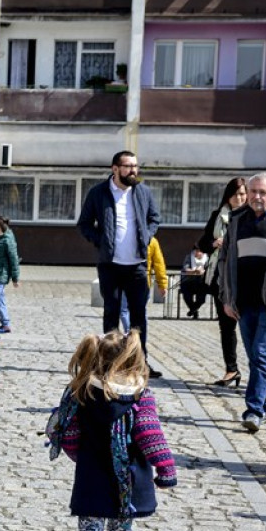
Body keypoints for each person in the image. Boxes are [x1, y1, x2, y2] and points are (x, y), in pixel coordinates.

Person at [48, 330, 177, 531]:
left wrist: (79, 457)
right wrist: (167, 470)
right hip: (126, 485)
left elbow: (68, 433)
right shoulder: (139, 396)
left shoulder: (82, 391)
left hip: (91, 477)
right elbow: (150, 436)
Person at [77, 151, 162, 378]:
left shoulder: (143, 192)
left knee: (138, 316)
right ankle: (108, 362)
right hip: (110, 265)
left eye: (135, 166)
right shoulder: (98, 193)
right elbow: (84, 224)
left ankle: (139, 362)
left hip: (137, 265)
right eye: (128, 166)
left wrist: (147, 235)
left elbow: (155, 218)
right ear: (115, 169)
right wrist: (101, 241)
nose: (133, 171)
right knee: (111, 313)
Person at [218, 172, 266, 432]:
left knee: (262, 354)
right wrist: (227, 298)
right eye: (254, 192)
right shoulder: (237, 220)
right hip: (244, 302)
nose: (257, 197)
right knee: (255, 357)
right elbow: (224, 260)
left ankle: (253, 410)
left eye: (264, 192)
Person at [198, 177, 248, 387]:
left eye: (243, 194)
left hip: (245, 278)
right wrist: (213, 242)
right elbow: (202, 243)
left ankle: (260, 372)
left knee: (251, 327)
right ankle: (231, 369)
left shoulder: (251, 216)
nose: (240, 198)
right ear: (228, 196)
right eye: (236, 194)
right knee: (226, 327)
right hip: (221, 278)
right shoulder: (217, 216)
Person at [118, 237, 167, 333]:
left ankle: (130, 334)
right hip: (143, 281)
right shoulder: (152, 241)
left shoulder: (124, 237)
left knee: (124, 309)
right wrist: (162, 284)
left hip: (124, 279)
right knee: (141, 310)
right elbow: (159, 264)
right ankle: (138, 335)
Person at [180, 247, 208, 319]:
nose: (197, 253)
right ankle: (194, 311)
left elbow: (209, 269)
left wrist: (203, 272)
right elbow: (185, 268)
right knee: (186, 295)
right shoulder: (189, 257)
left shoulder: (207, 258)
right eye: (196, 251)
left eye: (199, 251)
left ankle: (193, 309)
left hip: (202, 282)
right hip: (188, 281)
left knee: (201, 298)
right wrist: (194, 271)